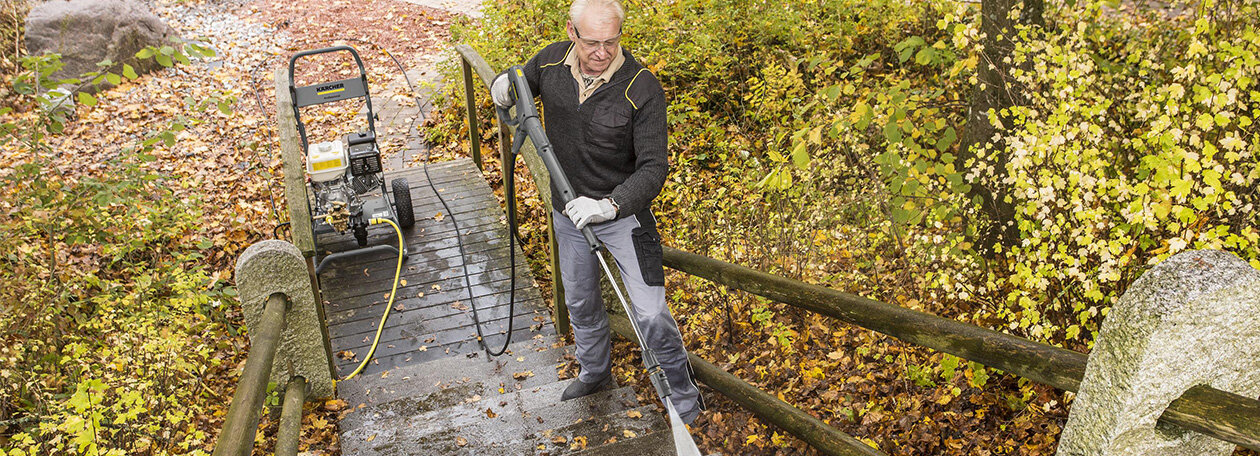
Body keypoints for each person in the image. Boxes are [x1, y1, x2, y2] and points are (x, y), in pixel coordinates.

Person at [490, 0, 704, 424]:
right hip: (569, 214)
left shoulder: (642, 88)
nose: (602, 52)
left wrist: (609, 205)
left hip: (624, 216)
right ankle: (595, 372)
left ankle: (682, 397)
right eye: (592, 42)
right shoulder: (551, 62)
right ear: (572, 32)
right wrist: (502, 84)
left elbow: (654, 168)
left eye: (611, 42)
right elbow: (519, 80)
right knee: (582, 302)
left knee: (650, 313)